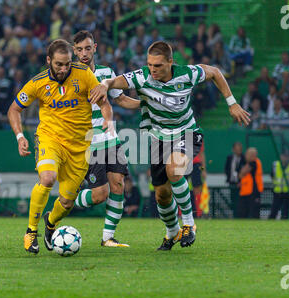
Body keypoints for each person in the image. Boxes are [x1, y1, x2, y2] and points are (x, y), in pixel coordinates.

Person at [90, 41, 250, 250]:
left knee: (174, 170)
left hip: (187, 132)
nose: (153, 70)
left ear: (170, 62)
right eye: (150, 65)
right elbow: (115, 82)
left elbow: (215, 73)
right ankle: (172, 232)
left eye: (158, 66)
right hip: (158, 139)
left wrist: (232, 103)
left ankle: (189, 225)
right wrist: (105, 84)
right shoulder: (142, 76)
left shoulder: (187, 74)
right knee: (162, 195)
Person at [7, 39, 114, 254]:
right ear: (49, 61)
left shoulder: (83, 74)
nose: (64, 69)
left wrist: (108, 119)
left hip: (80, 146)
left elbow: (103, 102)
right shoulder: (37, 83)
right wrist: (19, 136)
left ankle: (50, 222)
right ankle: (30, 232)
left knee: (66, 202)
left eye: (67, 64)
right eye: (59, 64)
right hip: (50, 138)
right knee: (47, 178)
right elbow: (13, 109)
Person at [71, 30, 141, 247]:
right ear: (74, 51)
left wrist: (145, 104)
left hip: (111, 138)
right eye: (79, 49)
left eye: (87, 48)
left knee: (118, 185)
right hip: (88, 141)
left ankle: (107, 238)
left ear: (95, 47)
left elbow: (120, 100)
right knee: (100, 195)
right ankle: (67, 200)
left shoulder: (106, 72)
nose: (84, 53)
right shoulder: (69, 76)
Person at [269, 151, 289, 219]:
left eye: (287, 156)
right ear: (281, 156)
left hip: (288, 192)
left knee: (285, 213)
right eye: (284, 156)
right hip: (277, 191)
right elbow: (272, 176)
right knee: (273, 211)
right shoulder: (275, 164)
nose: (285, 158)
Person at [237, 147, 263, 219]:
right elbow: (240, 175)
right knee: (242, 213)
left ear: (252, 155)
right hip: (245, 192)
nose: (245, 156)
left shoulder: (254, 163)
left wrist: (242, 173)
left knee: (253, 214)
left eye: (247, 154)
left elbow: (242, 172)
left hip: (253, 192)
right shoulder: (248, 163)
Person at [224, 141, 245, 217]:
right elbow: (226, 169)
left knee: (240, 201)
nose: (238, 151)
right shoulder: (229, 157)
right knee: (233, 200)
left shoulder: (244, 158)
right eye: (236, 149)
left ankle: (240, 216)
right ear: (233, 149)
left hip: (240, 184)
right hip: (232, 182)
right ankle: (234, 215)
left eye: (239, 149)